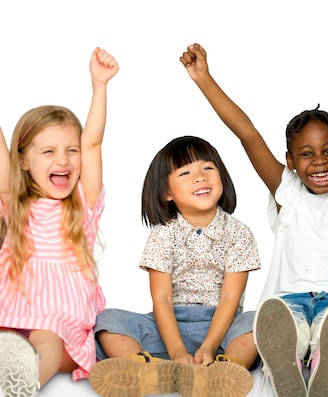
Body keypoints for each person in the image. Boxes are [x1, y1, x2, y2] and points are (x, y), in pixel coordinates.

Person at [179, 40, 328, 397]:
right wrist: (204, 78)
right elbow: (247, 133)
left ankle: (325, 365)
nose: (320, 162)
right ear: (291, 162)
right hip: (286, 302)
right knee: (286, 329)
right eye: (306, 154)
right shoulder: (286, 191)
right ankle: (287, 366)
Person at [88, 136, 261, 397]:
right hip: (168, 324)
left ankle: (225, 370)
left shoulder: (239, 233)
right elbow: (162, 298)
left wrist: (209, 346)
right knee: (108, 319)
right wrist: (177, 350)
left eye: (208, 168)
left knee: (257, 322)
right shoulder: (163, 234)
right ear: (167, 193)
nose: (200, 177)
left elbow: (230, 297)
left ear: (221, 177)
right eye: (186, 172)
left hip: (222, 326)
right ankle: (144, 367)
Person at [0, 47, 118, 395]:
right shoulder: (14, 202)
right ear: (22, 162)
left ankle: (20, 384)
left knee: (46, 339)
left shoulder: (83, 202)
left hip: (60, 321)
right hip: (11, 310)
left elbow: (93, 142)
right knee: (8, 340)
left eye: (71, 150)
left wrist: (99, 85)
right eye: (48, 151)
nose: (63, 160)